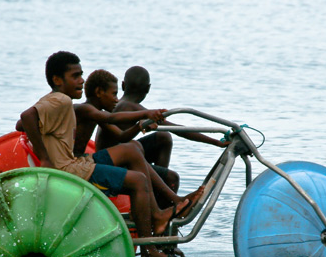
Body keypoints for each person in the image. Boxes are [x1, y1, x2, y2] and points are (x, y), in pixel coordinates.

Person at [16, 51, 190, 257]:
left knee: (132, 151)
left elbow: (20, 126)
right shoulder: (59, 100)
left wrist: (46, 137)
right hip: (69, 170)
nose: (81, 80)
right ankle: (148, 254)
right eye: (76, 76)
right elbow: (26, 117)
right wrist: (46, 158)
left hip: (73, 164)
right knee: (137, 181)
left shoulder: (59, 103)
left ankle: (156, 218)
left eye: (82, 75)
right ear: (57, 80)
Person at [74, 69, 201, 211]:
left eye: (117, 94)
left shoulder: (99, 112)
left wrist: (139, 126)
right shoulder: (92, 110)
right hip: (91, 163)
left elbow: (123, 136)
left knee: (152, 140)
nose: (116, 99)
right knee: (166, 174)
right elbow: (111, 119)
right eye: (113, 94)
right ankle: (161, 215)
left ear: (123, 85)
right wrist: (146, 114)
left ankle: (161, 210)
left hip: (98, 159)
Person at [95, 66, 227, 189]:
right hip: (113, 164)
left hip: (113, 156)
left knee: (162, 136)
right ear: (148, 89)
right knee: (172, 178)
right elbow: (179, 130)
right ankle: (161, 194)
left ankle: (156, 185)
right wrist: (216, 142)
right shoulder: (133, 108)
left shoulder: (121, 106)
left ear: (123, 85)